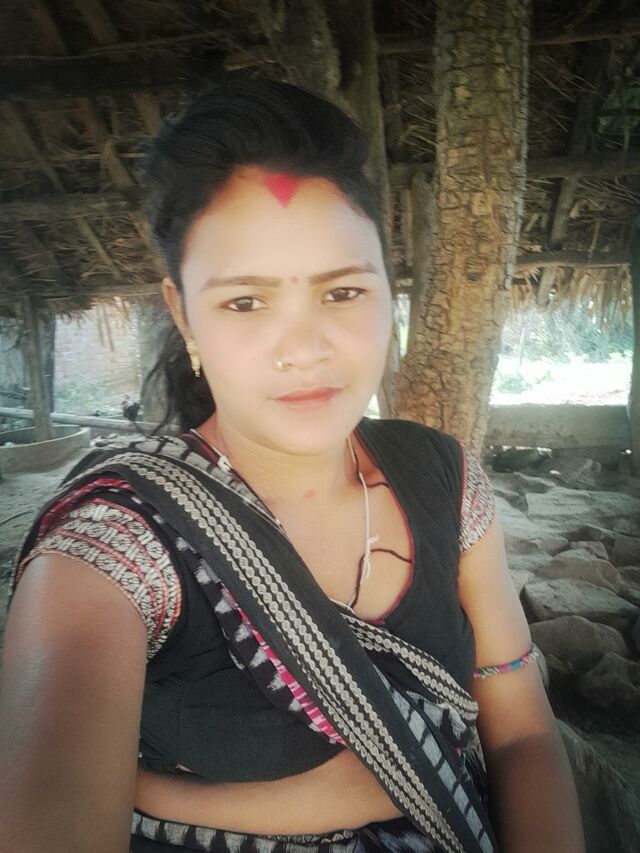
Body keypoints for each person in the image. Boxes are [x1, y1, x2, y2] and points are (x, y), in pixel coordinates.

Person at [0, 72, 585, 853]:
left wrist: (186, 794)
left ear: (388, 289)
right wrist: (304, 801)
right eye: (245, 302)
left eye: (342, 293)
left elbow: (523, 735)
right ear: (184, 314)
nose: (305, 349)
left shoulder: (445, 479)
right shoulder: (115, 546)